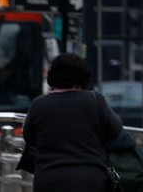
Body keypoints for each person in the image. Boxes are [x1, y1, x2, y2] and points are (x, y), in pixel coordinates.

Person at [17, 53, 123, 192]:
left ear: (52, 76)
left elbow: (28, 137)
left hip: (49, 180)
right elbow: (115, 130)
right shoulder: (95, 100)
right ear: (83, 76)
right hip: (89, 180)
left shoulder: (39, 104)